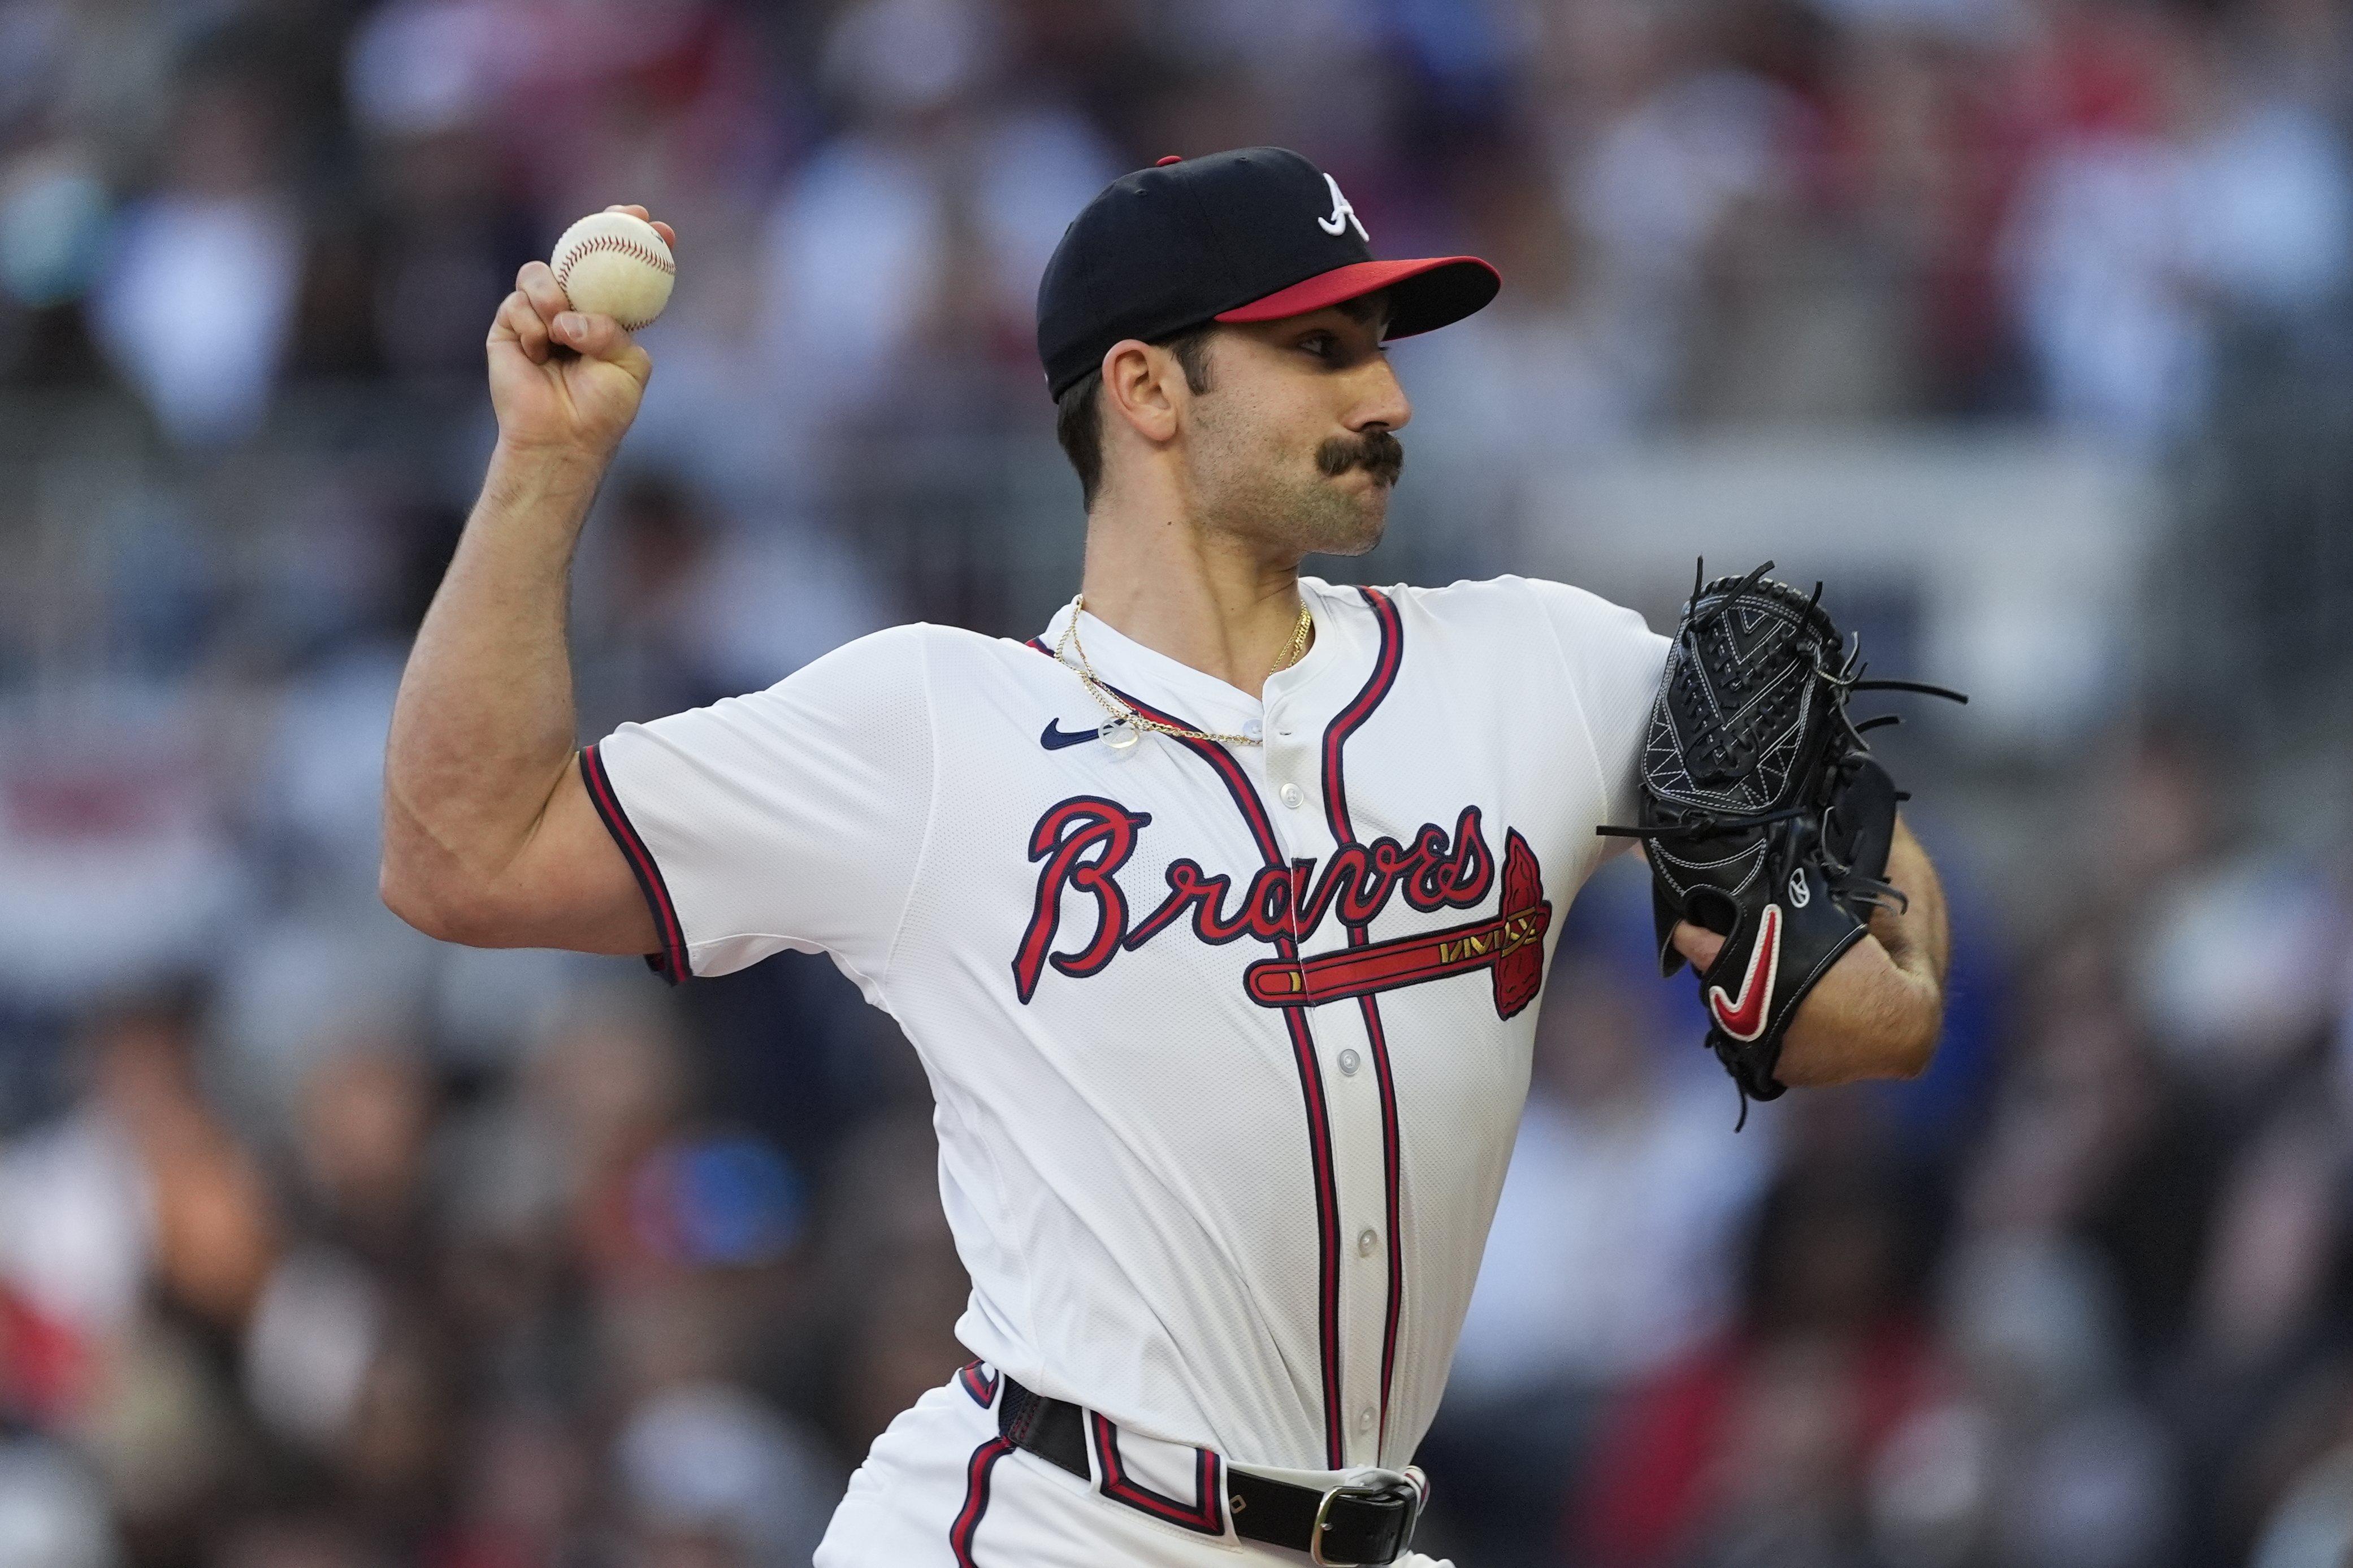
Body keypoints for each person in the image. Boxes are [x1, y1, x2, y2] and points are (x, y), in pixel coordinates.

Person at [381, 148, 1949, 1568]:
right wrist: (544, 466)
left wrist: (1831, 933)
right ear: (1144, 388)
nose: (1385, 398)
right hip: (1047, 1527)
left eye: (1380, 348)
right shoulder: (933, 727)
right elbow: (465, 856)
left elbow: (1887, 975)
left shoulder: (1536, 669)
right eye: (1318, 349)